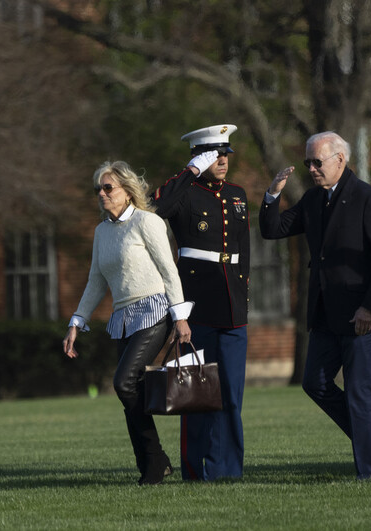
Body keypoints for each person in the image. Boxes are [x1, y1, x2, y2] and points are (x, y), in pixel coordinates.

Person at [259, 131, 371, 479]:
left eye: (318, 162)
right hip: (327, 314)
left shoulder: (367, 198)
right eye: (307, 163)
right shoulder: (314, 199)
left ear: (340, 160)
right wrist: (272, 195)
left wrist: (370, 306)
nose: (311, 169)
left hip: (362, 314)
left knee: (359, 394)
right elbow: (274, 229)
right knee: (315, 383)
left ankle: (369, 472)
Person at [63, 160, 194, 486]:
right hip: (122, 318)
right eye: (98, 190)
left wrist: (180, 317)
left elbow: (169, 270)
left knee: (123, 382)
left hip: (155, 311)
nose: (102, 195)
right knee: (129, 390)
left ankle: (153, 460)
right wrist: (76, 322)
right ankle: (154, 462)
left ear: (127, 191)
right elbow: (95, 281)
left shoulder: (147, 222)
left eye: (108, 188)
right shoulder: (101, 232)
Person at [151, 124, 249, 481]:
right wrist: (190, 171)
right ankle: (195, 468)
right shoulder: (184, 192)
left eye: (225, 154)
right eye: (214, 154)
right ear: (199, 156)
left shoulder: (237, 194)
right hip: (197, 308)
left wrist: (243, 298)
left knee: (231, 396)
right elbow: (156, 209)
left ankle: (228, 471)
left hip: (233, 307)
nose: (223, 160)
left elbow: (243, 252)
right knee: (196, 394)